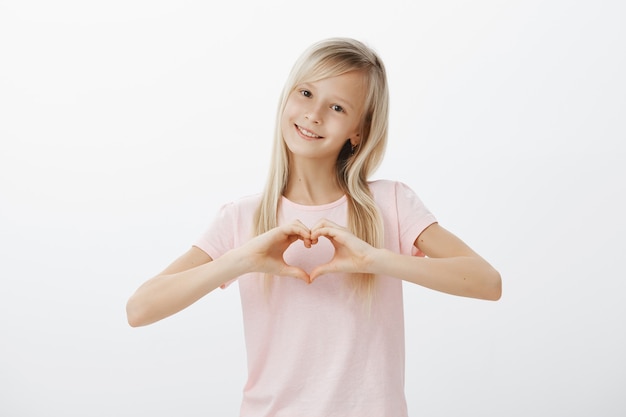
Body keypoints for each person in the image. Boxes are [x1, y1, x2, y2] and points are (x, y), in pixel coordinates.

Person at [126, 37, 502, 417]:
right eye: (306, 93)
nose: (314, 114)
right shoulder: (241, 217)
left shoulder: (390, 204)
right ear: (287, 96)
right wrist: (241, 260)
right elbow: (139, 309)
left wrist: (376, 259)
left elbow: (487, 282)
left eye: (337, 107)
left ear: (358, 131)